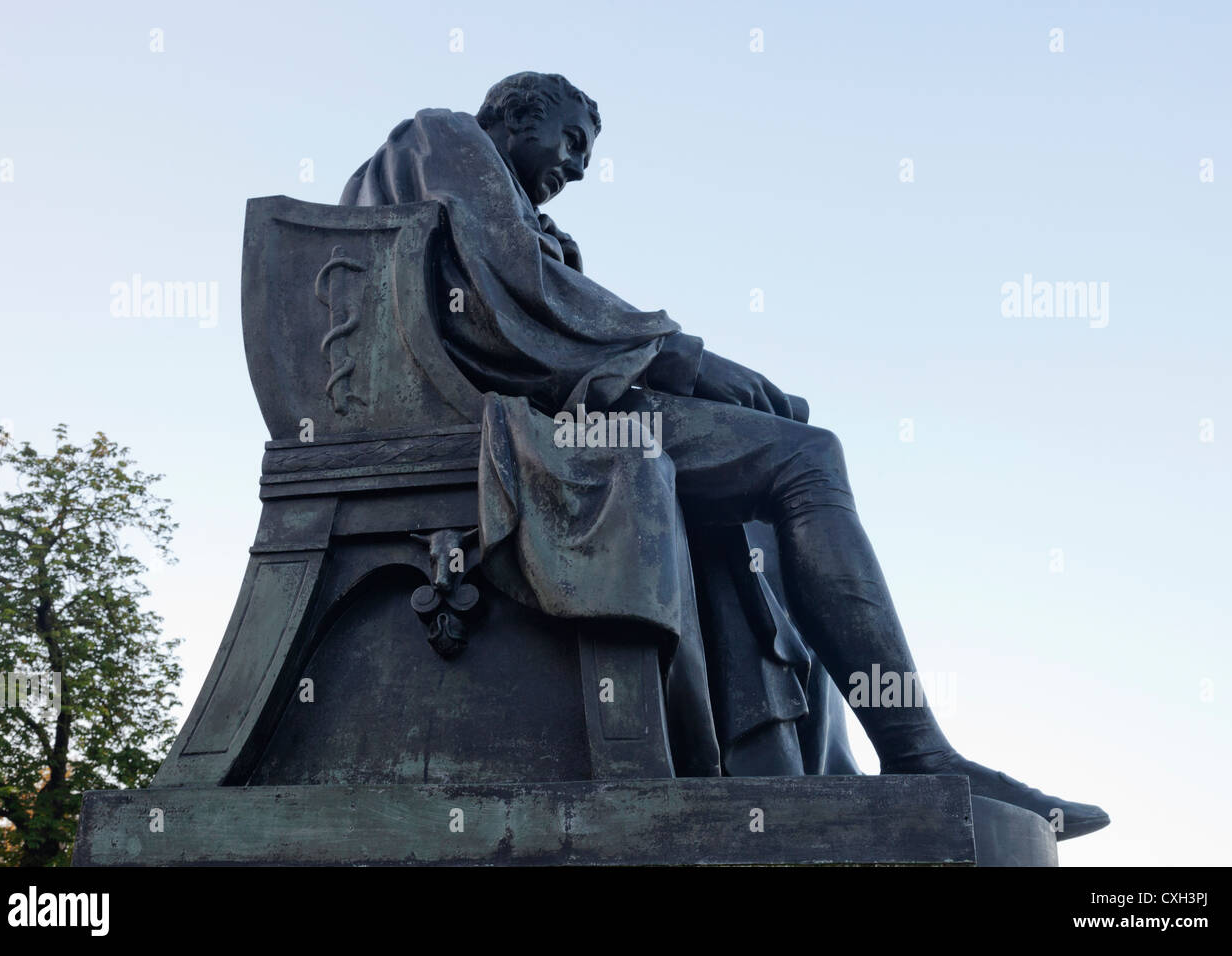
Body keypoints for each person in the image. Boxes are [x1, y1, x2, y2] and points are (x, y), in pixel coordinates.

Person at [341, 71, 1110, 839]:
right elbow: (520, 293)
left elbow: (532, 307)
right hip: (521, 423)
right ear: (514, 114)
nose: (578, 168)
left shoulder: (478, 179)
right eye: (572, 141)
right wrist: (689, 363)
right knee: (805, 461)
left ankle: (781, 767)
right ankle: (918, 753)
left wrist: (695, 385)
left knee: (766, 502)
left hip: (546, 410)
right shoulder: (444, 136)